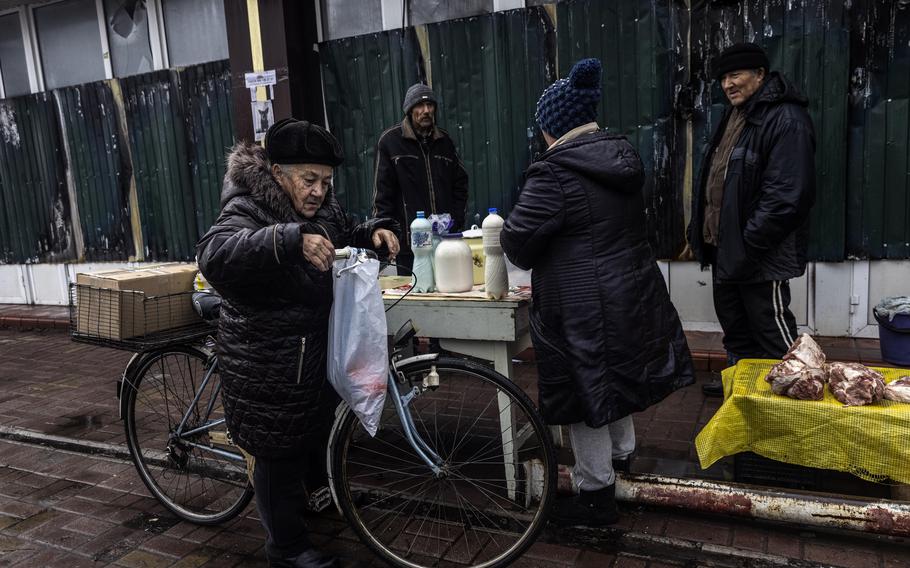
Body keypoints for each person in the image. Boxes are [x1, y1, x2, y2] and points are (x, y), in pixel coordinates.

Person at [196, 118, 399, 568]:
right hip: (264, 354)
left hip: (308, 351)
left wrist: (373, 233)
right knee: (276, 449)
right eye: (309, 180)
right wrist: (289, 240)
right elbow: (214, 253)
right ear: (278, 175)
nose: (319, 191)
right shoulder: (247, 206)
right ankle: (284, 549)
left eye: (326, 182)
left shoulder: (321, 209)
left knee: (306, 435)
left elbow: (343, 230)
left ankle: (302, 505)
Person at [500, 58, 695, 526]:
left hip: (582, 305)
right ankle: (623, 456)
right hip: (627, 292)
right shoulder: (620, 158)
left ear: (553, 127)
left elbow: (517, 243)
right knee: (611, 380)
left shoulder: (554, 174)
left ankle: (595, 495)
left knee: (585, 397)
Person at [687, 43, 816, 397]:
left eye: (736, 75)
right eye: (723, 78)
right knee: (738, 333)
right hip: (726, 251)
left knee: (774, 337)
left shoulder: (786, 118)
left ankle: (798, 415)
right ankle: (744, 397)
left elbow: (787, 197)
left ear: (760, 74)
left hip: (758, 256)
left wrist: (746, 245)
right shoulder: (736, 114)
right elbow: (718, 179)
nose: (728, 84)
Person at [372, 82, 469, 274]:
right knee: (416, 296)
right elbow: (382, 193)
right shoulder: (390, 142)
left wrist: (456, 220)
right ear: (409, 110)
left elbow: (461, 184)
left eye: (430, 105)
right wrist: (387, 232)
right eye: (419, 106)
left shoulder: (445, 142)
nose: (426, 111)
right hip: (410, 243)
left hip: (444, 241)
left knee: (448, 293)